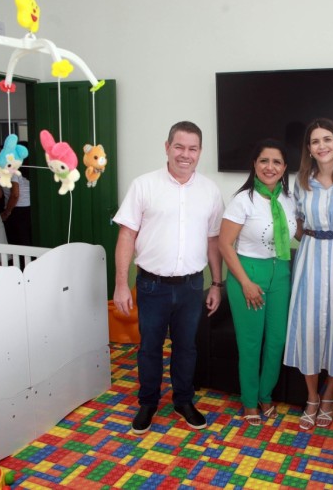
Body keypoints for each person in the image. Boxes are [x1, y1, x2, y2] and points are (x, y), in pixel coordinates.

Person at [113, 121, 224, 435]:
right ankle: (148, 402)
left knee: (186, 348)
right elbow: (126, 235)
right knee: (149, 347)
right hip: (151, 285)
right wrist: (121, 284)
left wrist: (217, 284)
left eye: (192, 148)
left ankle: (183, 401)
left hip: (191, 286)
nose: (185, 154)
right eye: (179, 147)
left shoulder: (210, 191)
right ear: (167, 147)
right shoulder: (144, 185)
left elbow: (213, 241)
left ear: (200, 152)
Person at [283, 118, 333, 430]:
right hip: (310, 256)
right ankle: (312, 397)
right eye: (315, 141)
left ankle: (329, 395)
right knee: (308, 328)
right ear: (309, 149)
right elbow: (297, 224)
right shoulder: (301, 183)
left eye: (327, 139)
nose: (322, 145)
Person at [218, 139, 297, 426]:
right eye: (264, 160)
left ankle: (266, 394)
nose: (270, 167)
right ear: (255, 164)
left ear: (284, 168)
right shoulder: (243, 200)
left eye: (277, 162)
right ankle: (250, 401)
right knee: (251, 343)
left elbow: (301, 231)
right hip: (248, 274)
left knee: (276, 341)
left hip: (281, 274)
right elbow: (225, 245)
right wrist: (246, 283)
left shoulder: (289, 199)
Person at [2, 162, 33, 246]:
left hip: (17, 209)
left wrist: (6, 212)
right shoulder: (23, 173)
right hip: (27, 208)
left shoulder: (12, 172)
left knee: (18, 241)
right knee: (26, 239)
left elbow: (15, 194)